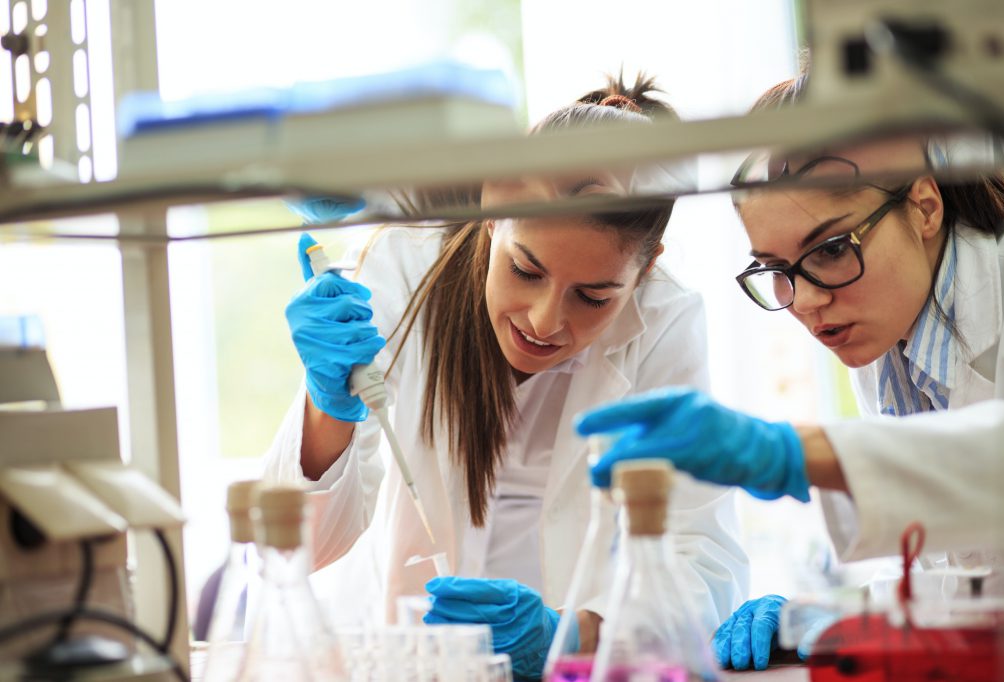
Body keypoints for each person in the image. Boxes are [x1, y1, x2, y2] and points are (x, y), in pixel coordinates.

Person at [263, 74, 748, 680]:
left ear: (646, 268)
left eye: (593, 298)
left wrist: (569, 634)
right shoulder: (404, 268)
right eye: (526, 270)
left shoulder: (665, 324)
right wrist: (327, 404)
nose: (546, 321)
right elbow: (296, 548)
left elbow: (705, 561)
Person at [575, 72, 1004, 671]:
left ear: (924, 205)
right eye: (778, 268)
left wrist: (794, 451)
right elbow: (965, 577)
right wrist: (827, 617)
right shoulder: (894, 348)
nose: (806, 301)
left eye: (832, 250)